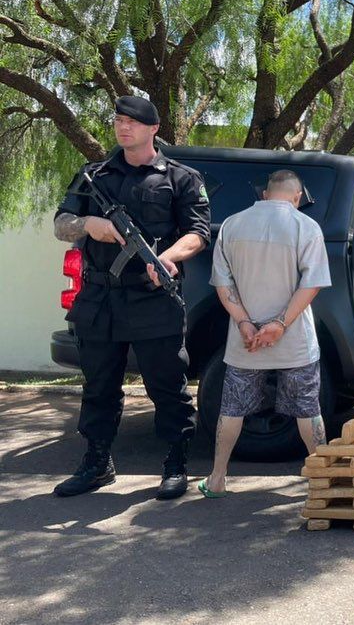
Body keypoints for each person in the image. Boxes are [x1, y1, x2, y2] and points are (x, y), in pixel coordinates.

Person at [53, 95, 210, 500]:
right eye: (119, 121)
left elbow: (198, 233)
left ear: (154, 128)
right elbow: (61, 224)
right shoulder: (94, 174)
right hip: (100, 297)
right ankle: (97, 462)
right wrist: (90, 224)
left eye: (133, 122)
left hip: (153, 299)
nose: (124, 128)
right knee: (99, 386)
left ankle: (176, 463)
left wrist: (168, 258)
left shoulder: (181, 177)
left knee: (166, 385)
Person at [198, 169, 332, 497]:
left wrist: (245, 322)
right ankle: (324, 483)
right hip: (294, 338)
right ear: (297, 197)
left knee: (232, 407)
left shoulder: (232, 225)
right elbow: (311, 283)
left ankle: (217, 478)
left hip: (245, 339)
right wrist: (280, 324)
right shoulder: (306, 227)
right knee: (307, 409)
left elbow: (223, 283)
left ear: (265, 194)